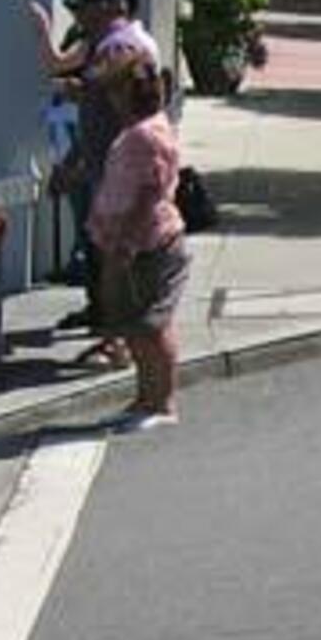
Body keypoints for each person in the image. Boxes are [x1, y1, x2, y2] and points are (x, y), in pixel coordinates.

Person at [29, 0, 157, 336]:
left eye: (81, 7)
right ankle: (110, 325)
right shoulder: (106, 43)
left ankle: (120, 334)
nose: (78, 17)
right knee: (102, 248)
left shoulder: (118, 47)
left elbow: (118, 114)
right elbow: (100, 107)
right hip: (103, 163)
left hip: (116, 170)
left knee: (116, 255)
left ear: (111, 8)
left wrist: (79, 162)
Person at [89, 58, 188, 430]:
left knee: (151, 326)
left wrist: (124, 245)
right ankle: (144, 398)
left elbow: (148, 192)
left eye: (116, 90)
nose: (111, 99)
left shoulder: (146, 136)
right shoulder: (138, 131)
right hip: (129, 241)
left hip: (147, 243)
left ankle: (161, 402)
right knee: (134, 325)